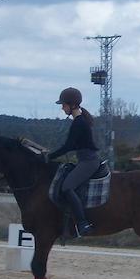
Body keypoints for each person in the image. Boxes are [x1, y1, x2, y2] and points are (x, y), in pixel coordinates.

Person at [49, 87, 99, 236]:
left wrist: (49, 156)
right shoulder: (80, 121)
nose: (62, 108)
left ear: (72, 105)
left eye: (63, 105)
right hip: (84, 160)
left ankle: (83, 223)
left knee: (67, 187)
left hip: (88, 161)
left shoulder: (79, 122)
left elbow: (68, 146)